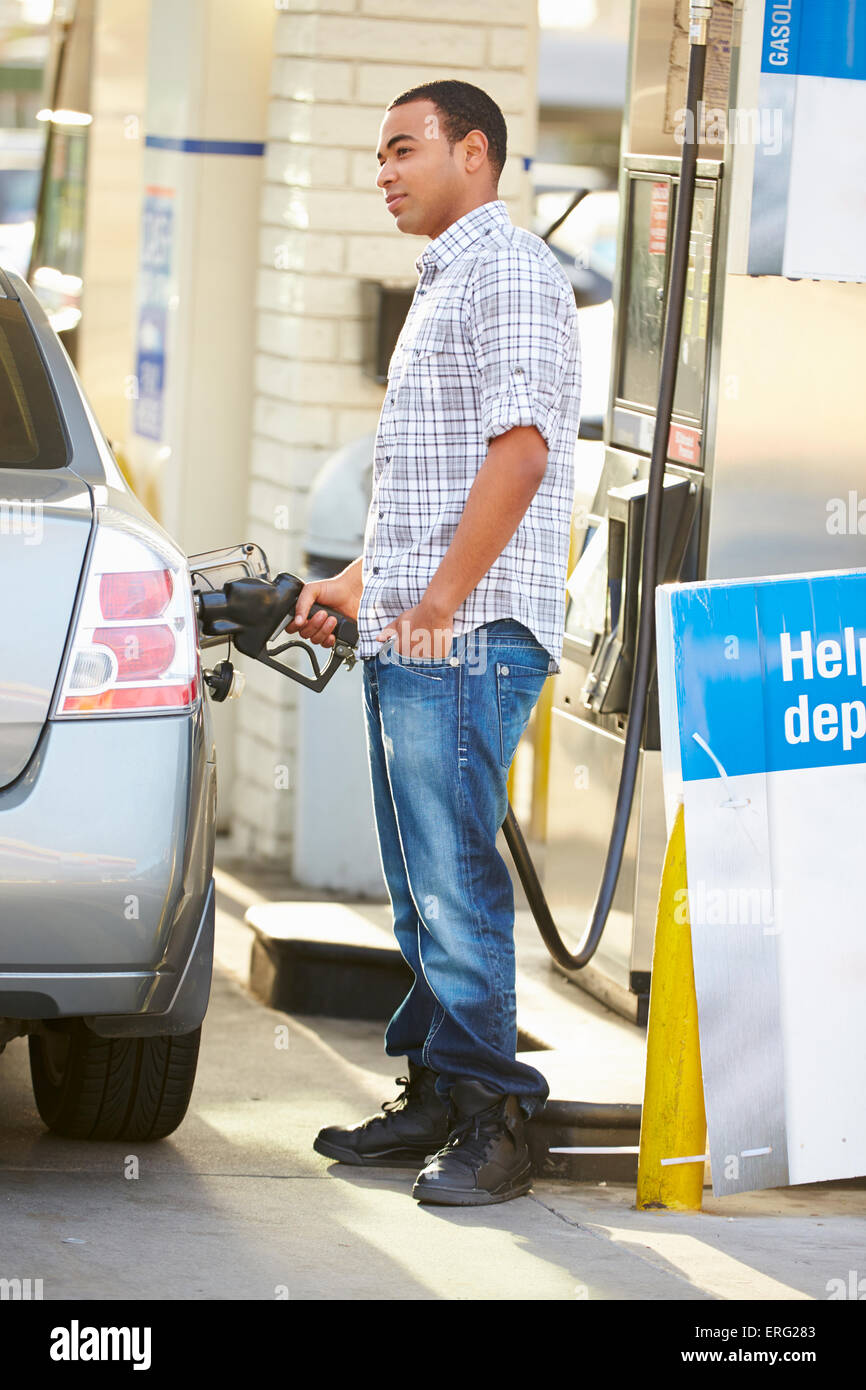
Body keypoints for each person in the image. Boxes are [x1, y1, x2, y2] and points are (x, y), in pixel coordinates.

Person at [287, 79, 581, 1206]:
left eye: (403, 149)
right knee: (420, 880)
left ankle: (498, 1116)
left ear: (475, 151)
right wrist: (358, 588)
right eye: (379, 154)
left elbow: (520, 451)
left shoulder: (506, 269)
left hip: (464, 637)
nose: (384, 171)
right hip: (421, 627)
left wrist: (443, 604)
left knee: (452, 879)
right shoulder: (448, 275)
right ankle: (439, 1094)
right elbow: (429, 493)